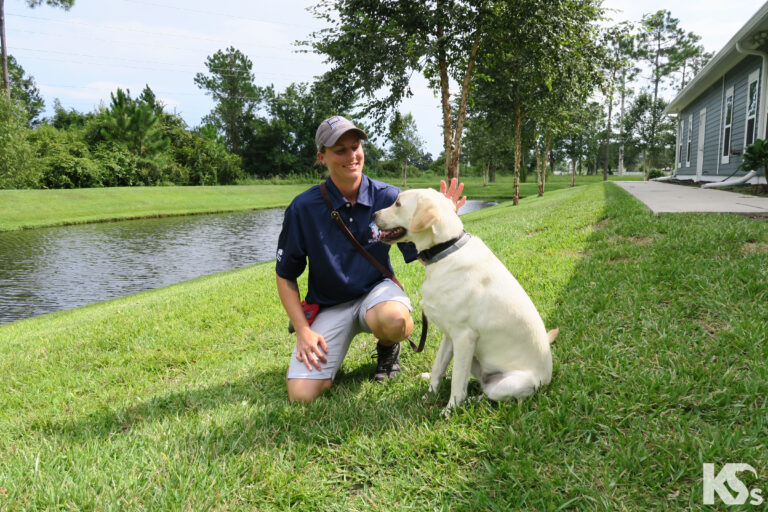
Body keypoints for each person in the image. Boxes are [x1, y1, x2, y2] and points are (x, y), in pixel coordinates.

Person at [275, 115, 466, 403]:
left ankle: (388, 348)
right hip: (329, 305)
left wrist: (443, 220)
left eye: (356, 147)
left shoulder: (388, 197)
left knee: (395, 320)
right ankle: (326, 343)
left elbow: (426, 255)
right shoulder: (303, 208)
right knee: (302, 395)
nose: (352, 156)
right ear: (321, 157)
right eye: (340, 150)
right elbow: (285, 275)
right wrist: (303, 330)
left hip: (377, 294)